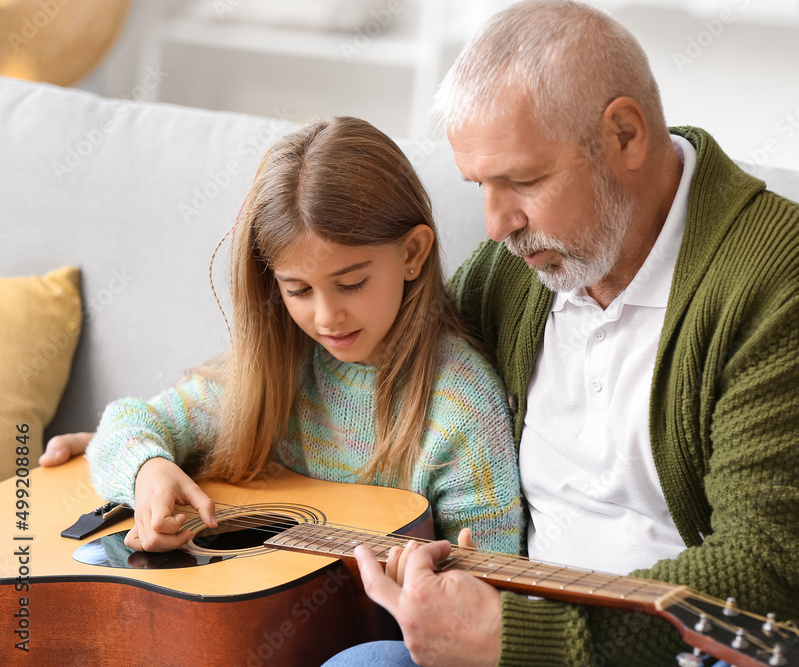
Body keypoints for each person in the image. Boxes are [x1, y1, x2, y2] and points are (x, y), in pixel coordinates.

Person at [339, 2, 799, 666]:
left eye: (523, 180)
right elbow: (374, 357)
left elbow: (776, 573)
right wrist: (218, 436)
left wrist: (529, 641)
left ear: (626, 134)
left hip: (763, 646)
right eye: (481, 185)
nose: (496, 223)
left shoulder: (794, 286)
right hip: (539, 634)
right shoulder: (516, 272)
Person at [47, 117, 524, 558]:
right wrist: (145, 472)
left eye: (352, 283)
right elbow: (129, 423)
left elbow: (494, 580)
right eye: (298, 289)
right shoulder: (280, 369)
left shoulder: (461, 407)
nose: (327, 316)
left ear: (413, 254)